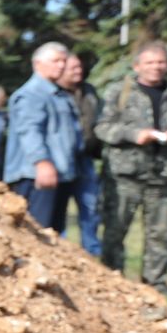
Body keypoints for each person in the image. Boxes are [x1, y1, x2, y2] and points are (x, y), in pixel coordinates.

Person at [97, 42, 167, 289]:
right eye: (150, 62)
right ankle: (112, 281)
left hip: (163, 174)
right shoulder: (119, 91)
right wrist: (133, 134)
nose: (156, 67)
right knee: (115, 230)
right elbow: (102, 127)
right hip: (124, 175)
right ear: (137, 66)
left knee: (159, 233)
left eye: (161, 62)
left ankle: (155, 283)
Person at [3, 42, 80, 233]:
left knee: (53, 235)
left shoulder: (59, 95)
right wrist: (42, 163)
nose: (61, 65)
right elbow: (30, 131)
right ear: (37, 64)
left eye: (63, 60)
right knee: (35, 235)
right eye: (55, 61)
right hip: (37, 176)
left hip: (59, 174)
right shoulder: (31, 94)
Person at [57, 54, 102, 256]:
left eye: (79, 67)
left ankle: (91, 250)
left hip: (85, 157)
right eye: (73, 68)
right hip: (61, 159)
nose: (78, 71)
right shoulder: (54, 93)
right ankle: (61, 249)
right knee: (59, 207)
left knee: (91, 206)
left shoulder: (88, 90)